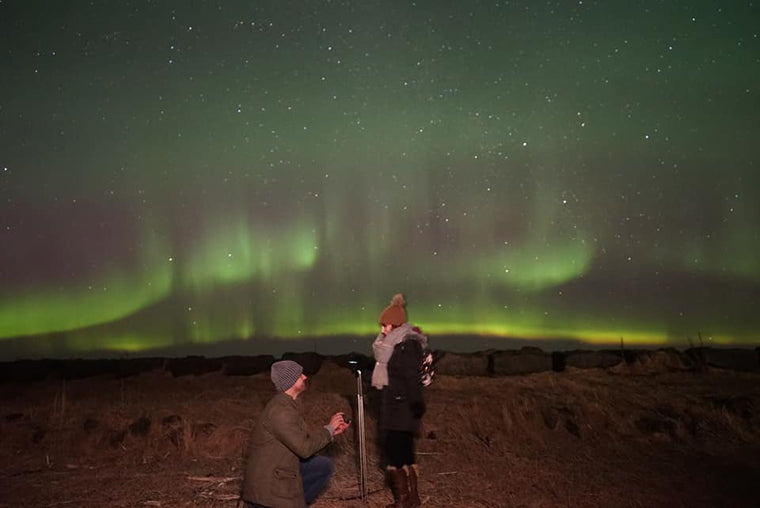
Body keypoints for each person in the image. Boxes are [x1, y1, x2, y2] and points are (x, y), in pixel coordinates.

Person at [241, 360, 350, 508]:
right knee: (320, 464)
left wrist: (331, 431)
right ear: (290, 381)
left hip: (280, 467)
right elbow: (304, 449)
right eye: (300, 375)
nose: (305, 377)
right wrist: (329, 429)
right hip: (267, 486)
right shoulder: (281, 411)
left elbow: (300, 441)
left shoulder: (289, 404)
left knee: (322, 465)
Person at [372, 293, 428, 508]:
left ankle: (405, 501)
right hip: (395, 407)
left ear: (395, 325)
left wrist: (416, 405)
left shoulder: (406, 345)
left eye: (385, 325)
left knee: (397, 454)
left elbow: (411, 378)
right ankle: (410, 500)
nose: (382, 330)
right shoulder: (393, 346)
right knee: (400, 453)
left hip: (402, 409)